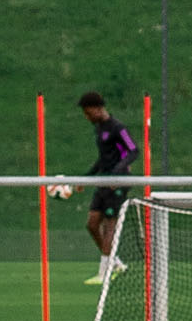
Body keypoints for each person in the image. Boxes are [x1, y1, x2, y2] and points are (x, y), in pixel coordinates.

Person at [58, 93, 139, 286]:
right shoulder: (99, 129)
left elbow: (134, 150)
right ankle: (117, 263)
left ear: (98, 108)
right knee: (92, 224)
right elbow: (103, 159)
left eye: (88, 112)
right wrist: (85, 179)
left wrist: (117, 173)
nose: (87, 117)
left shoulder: (117, 128)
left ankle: (104, 272)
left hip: (117, 183)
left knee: (109, 225)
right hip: (103, 181)